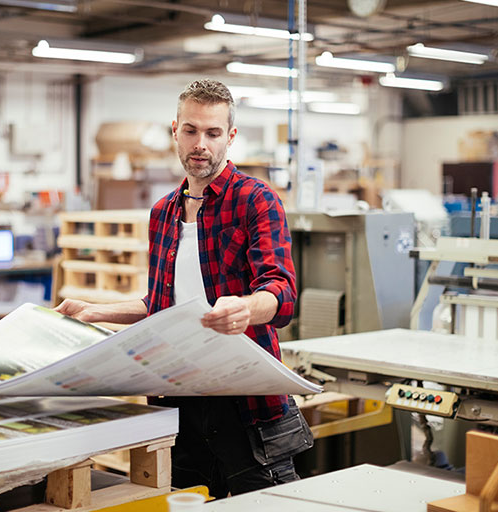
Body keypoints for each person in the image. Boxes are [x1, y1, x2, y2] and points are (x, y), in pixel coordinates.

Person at [55, 78, 312, 497]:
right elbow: (161, 305)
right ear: (175, 131)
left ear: (230, 137)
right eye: (191, 131)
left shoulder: (256, 200)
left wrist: (246, 309)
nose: (201, 144)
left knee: (267, 505)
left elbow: (281, 292)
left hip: (243, 401)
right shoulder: (162, 213)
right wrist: (97, 311)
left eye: (213, 133)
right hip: (179, 399)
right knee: (183, 503)